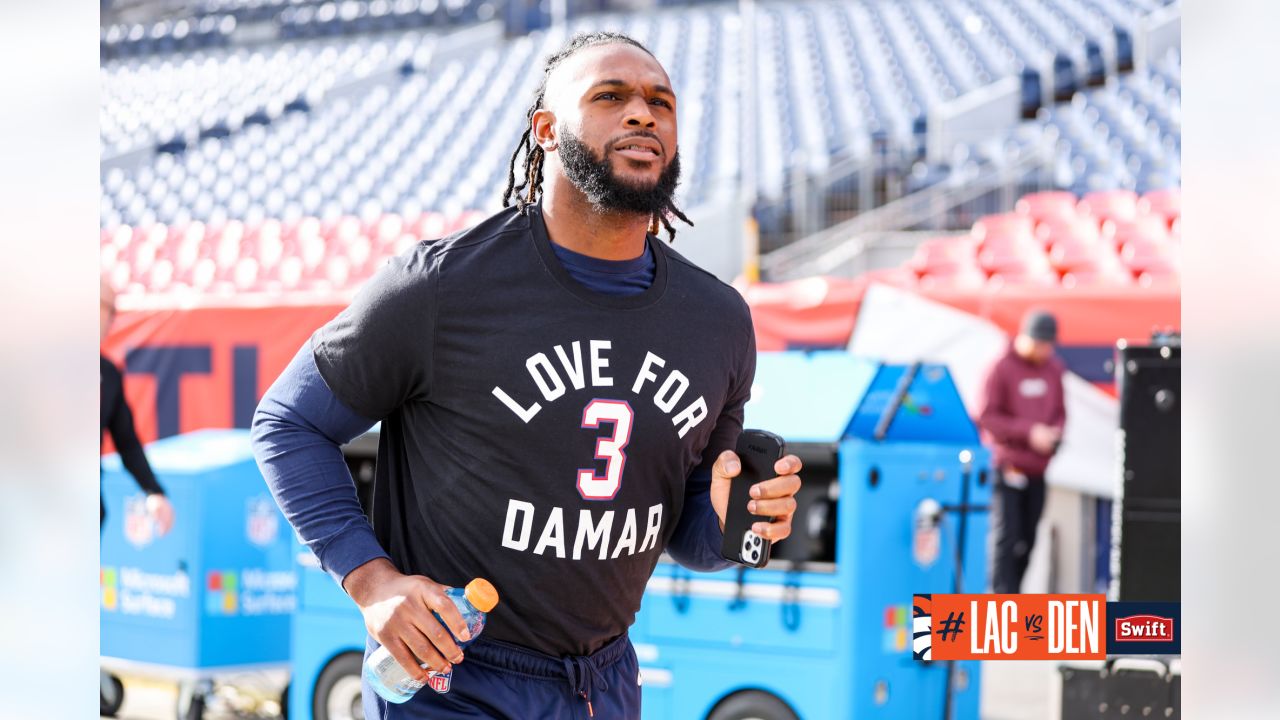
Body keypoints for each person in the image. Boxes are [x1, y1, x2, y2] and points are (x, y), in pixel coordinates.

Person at [251, 31, 802, 719]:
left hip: (603, 683)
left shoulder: (719, 320)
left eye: (661, 102)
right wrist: (372, 582)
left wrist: (733, 522)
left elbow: (690, 531)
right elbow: (288, 422)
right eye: (611, 97)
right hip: (451, 676)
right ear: (546, 130)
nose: (643, 114)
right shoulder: (440, 287)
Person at [977, 309, 1067, 594]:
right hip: (1008, 469)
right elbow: (988, 417)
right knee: (1006, 538)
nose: (1043, 350)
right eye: (1039, 343)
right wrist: (1029, 432)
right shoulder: (1001, 369)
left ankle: (1016, 596)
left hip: (1038, 470)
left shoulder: (1053, 370)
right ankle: (1001, 602)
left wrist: (1053, 434)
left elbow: (1060, 413)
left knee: (1028, 539)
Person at [100, 278, 174, 534]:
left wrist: (153, 490)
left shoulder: (107, 374)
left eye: (108, 311)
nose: (105, 319)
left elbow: (127, 441)